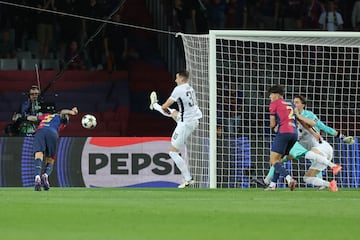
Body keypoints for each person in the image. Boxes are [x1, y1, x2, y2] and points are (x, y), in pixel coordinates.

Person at [149, 70, 202, 188]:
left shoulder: (179, 89)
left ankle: (188, 179)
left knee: (173, 152)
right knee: (173, 112)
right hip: (194, 119)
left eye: (177, 78)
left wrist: (162, 107)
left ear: (182, 79)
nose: (175, 80)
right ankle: (154, 105)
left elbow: (166, 105)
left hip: (185, 124)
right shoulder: (190, 88)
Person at [27, 107, 78, 191]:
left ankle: (37, 176)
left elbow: (32, 118)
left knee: (38, 153)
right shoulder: (60, 117)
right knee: (50, 158)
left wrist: (24, 117)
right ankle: (45, 175)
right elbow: (63, 112)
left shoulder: (45, 116)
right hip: (52, 132)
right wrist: (71, 112)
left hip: (40, 131)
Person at [265, 85, 298, 191]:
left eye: (271, 94)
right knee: (279, 160)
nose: (270, 97)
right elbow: (295, 119)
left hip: (283, 132)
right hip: (294, 133)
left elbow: (272, 123)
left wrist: (274, 127)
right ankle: (273, 184)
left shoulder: (274, 104)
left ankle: (289, 178)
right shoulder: (290, 103)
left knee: (273, 159)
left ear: (276, 95)